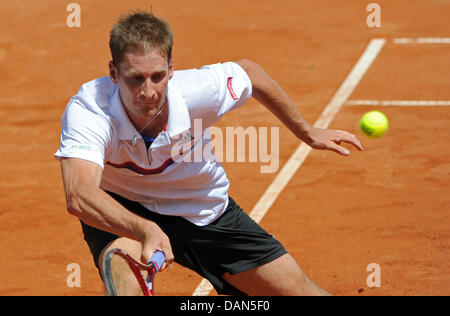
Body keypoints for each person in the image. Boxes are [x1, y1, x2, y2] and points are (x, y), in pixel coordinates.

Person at [55, 10, 362, 296]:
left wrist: (307, 131)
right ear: (113, 72)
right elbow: (79, 194)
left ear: (171, 69)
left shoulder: (199, 91)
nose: (148, 92)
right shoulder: (90, 110)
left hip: (202, 206)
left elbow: (250, 73)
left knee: (301, 292)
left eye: (157, 77)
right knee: (122, 265)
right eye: (136, 78)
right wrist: (144, 228)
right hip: (125, 208)